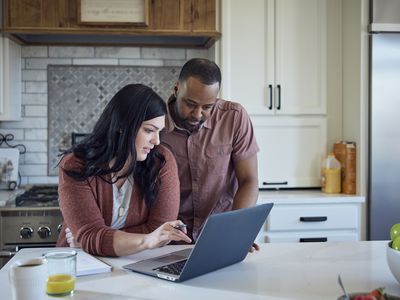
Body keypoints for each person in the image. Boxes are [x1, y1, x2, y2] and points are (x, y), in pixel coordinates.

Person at [57, 84, 191, 257]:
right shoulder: (75, 165)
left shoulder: (162, 161)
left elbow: (161, 231)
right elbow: (91, 235)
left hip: (137, 262)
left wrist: (97, 239)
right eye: (149, 130)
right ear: (122, 125)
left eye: (159, 132)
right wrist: (146, 239)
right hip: (79, 264)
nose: (157, 141)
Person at [161, 58, 259, 245]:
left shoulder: (234, 117)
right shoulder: (156, 123)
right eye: (190, 104)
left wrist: (239, 229)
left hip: (220, 236)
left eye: (207, 107)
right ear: (176, 89)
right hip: (169, 239)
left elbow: (249, 180)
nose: (198, 114)